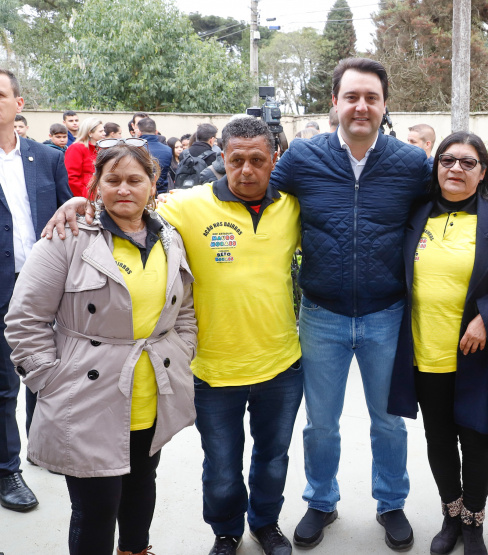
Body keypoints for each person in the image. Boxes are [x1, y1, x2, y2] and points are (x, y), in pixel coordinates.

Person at [44, 116, 303, 555]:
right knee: (221, 467)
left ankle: (266, 523)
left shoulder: (294, 207)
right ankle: (226, 531)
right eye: (235, 159)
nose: (246, 170)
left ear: (273, 160)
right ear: (222, 158)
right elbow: (125, 202)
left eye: (257, 160)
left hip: (281, 364)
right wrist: (77, 203)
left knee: (273, 459)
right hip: (210, 368)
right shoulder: (183, 206)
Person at [270, 57, 431, 551]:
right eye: (352, 96)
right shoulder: (302, 157)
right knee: (321, 422)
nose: (362, 106)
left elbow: (452, 209)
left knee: (389, 421)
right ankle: (321, 499)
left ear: (384, 106)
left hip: (387, 314)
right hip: (321, 315)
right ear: (335, 102)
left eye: (372, 97)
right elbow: (245, 196)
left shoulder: (411, 163)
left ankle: (391, 502)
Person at [5, 140, 196, 555]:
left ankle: (135, 550)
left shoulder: (170, 239)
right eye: (113, 180)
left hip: (151, 391)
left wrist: (183, 350)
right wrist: (49, 380)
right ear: (96, 185)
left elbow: (184, 310)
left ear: (152, 184)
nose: (123, 189)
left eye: (134, 179)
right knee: (96, 507)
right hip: (86, 396)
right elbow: (25, 320)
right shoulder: (67, 238)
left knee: (142, 487)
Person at [388, 131, 488, 555]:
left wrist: (487, 319)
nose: (455, 169)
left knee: (474, 442)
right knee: (438, 441)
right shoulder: (416, 216)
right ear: (436, 168)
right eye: (447, 160)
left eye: (467, 162)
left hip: (475, 357)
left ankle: (474, 522)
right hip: (424, 354)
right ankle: (450, 516)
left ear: (482, 172)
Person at [0, 68, 70, 514]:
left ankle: (39, 447)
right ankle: (8, 469)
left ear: (18, 104)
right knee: (3, 386)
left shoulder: (45, 158)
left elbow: (68, 212)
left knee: (45, 375)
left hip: (44, 290)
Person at [64, 116, 104, 197]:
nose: (104, 133)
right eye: (100, 131)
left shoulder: (100, 148)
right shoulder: (76, 148)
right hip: (85, 197)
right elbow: (71, 178)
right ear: (90, 133)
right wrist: (87, 196)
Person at [136, 117, 173, 194]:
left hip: (140, 192)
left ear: (139, 133)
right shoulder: (167, 150)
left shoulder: (134, 149)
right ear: (156, 132)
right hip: (161, 194)